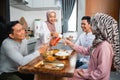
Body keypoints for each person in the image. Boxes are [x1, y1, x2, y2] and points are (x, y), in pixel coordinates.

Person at [64, 13, 119, 80]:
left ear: (100, 28)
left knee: (68, 76)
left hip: (94, 77)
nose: (91, 27)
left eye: (93, 25)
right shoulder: (98, 42)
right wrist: (70, 43)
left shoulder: (104, 46)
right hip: (90, 73)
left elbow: (101, 73)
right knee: (68, 74)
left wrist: (85, 75)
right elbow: (86, 50)